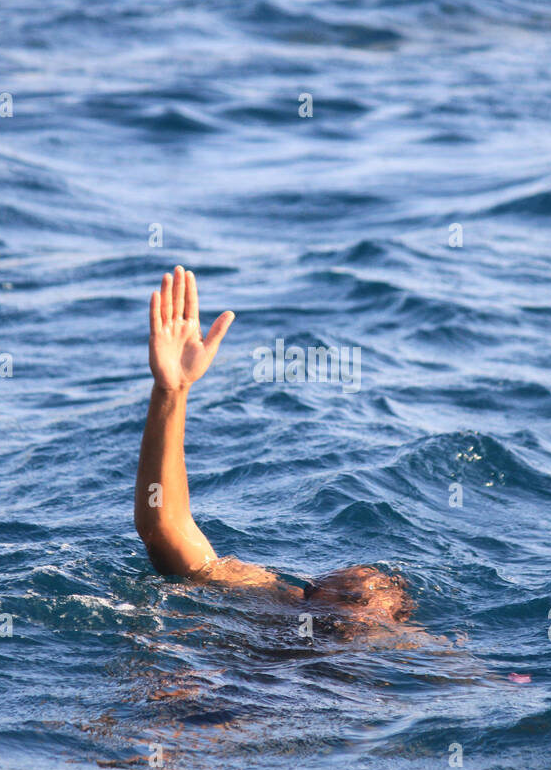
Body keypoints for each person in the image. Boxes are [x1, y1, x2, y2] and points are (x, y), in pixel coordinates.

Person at [133, 266, 414, 628]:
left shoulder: (413, 654)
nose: (362, 609)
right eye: (351, 597)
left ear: (398, 621)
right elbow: (163, 525)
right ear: (308, 595)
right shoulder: (276, 606)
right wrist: (172, 392)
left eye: (370, 603)